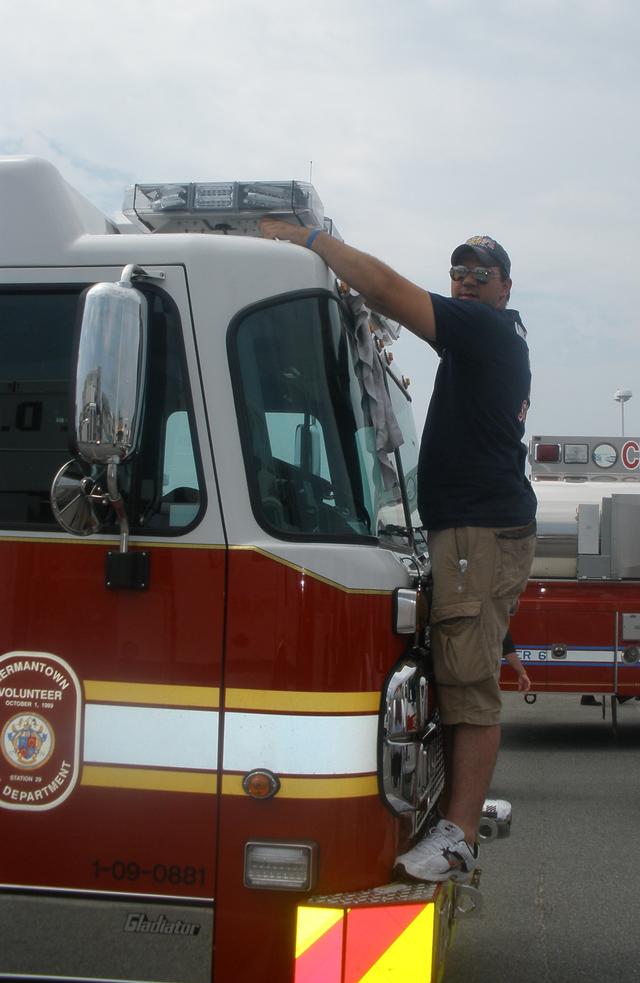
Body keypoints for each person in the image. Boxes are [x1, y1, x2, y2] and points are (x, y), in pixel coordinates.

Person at [260, 220, 537, 882]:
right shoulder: (488, 344)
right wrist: (503, 638)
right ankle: (452, 817)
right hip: (474, 535)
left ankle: (458, 835)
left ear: (504, 288)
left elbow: (384, 288)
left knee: (468, 692)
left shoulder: (482, 330)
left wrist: (313, 242)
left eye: (481, 273)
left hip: (475, 532)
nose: (466, 281)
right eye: (459, 272)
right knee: (465, 667)